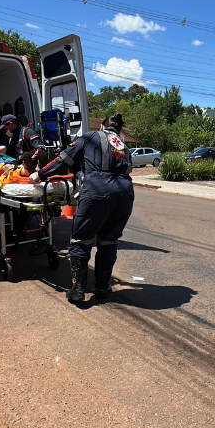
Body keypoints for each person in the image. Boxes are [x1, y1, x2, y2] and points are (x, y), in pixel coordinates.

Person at [30, 113, 133, 303]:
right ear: (117, 130)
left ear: (101, 127)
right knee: (109, 240)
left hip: (98, 191)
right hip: (125, 194)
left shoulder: (91, 137)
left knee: (81, 240)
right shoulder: (123, 146)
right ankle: (102, 287)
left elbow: (63, 160)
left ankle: (78, 289)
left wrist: (41, 174)